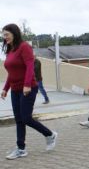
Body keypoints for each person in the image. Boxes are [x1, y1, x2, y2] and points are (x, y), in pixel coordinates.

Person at [1, 24, 57, 160]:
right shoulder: (10, 49)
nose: (4, 37)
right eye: (3, 35)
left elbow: (30, 66)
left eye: (6, 34)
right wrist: (5, 88)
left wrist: (27, 85)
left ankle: (50, 134)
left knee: (26, 118)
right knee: (19, 119)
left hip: (28, 88)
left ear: (14, 33)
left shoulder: (24, 47)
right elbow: (11, 73)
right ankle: (21, 149)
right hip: (15, 89)